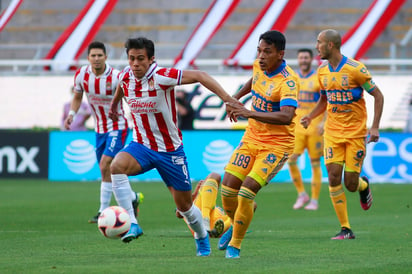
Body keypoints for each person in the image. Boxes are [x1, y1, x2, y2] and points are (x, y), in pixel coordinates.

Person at [108, 37, 238, 256]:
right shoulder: (126, 76)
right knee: (116, 166)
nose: (136, 64)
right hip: (141, 145)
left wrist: (227, 98)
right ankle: (132, 222)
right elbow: (121, 86)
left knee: (185, 208)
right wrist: (114, 105)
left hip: (170, 151)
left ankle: (201, 237)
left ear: (151, 59)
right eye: (132, 59)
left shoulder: (162, 76)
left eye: (141, 59)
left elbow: (200, 76)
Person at [219, 30, 299, 259]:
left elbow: (286, 116)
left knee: (245, 193)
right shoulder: (259, 66)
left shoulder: (288, 81)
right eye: (259, 51)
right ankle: (239, 221)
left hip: (277, 145)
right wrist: (235, 98)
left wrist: (248, 112)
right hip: (252, 138)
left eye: (267, 52)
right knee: (227, 191)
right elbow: (253, 80)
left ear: (280, 54)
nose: (261, 56)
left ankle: (235, 245)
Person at [301, 29, 384, 240]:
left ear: (330, 45)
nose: (316, 46)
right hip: (332, 133)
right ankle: (346, 228)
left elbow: (378, 96)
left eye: (319, 42)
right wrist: (311, 117)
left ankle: (363, 185)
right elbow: (324, 99)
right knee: (334, 177)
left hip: (356, 134)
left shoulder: (356, 70)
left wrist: (374, 127)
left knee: (351, 183)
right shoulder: (322, 71)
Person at [64, 41, 142, 223]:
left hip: (118, 126)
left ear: (106, 57)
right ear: (88, 58)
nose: (97, 59)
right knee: (105, 170)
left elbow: (130, 98)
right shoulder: (82, 75)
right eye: (93, 55)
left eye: (100, 55)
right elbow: (77, 97)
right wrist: (72, 114)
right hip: (99, 129)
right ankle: (132, 197)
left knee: (106, 163)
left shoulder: (116, 77)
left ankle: (102, 210)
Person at [288, 48, 325, 211]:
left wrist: (324, 122)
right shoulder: (293, 78)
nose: (303, 60)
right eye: (301, 57)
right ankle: (302, 194)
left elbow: (327, 102)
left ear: (311, 59)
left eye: (306, 57)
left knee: (315, 163)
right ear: (298, 59)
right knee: (291, 159)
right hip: (297, 127)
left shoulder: (318, 77)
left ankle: (315, 200)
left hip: (315, 127)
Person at [176, 172, 257, 238]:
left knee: (252, 205)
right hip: (199, 220)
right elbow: (179, 214)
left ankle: (217, 229)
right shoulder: (194, 202)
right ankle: (207, 222)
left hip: (217, 222)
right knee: (215, 176)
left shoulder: (210, 201)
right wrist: (193, 196)